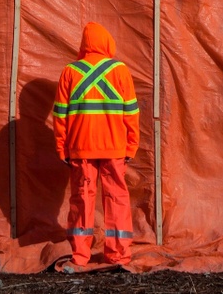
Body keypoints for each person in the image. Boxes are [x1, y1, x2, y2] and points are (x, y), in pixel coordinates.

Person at [51, 22, 139, 269]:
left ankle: (80, 256)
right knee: (117, 199)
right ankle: (118, 255)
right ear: (107, 42)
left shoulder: (70, 72)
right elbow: (131, 113)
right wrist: (131, 145)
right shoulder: (120, 70)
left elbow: (60, 116)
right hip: (114, 148)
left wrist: (62, 148)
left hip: (81, 148)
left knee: (82, 200)